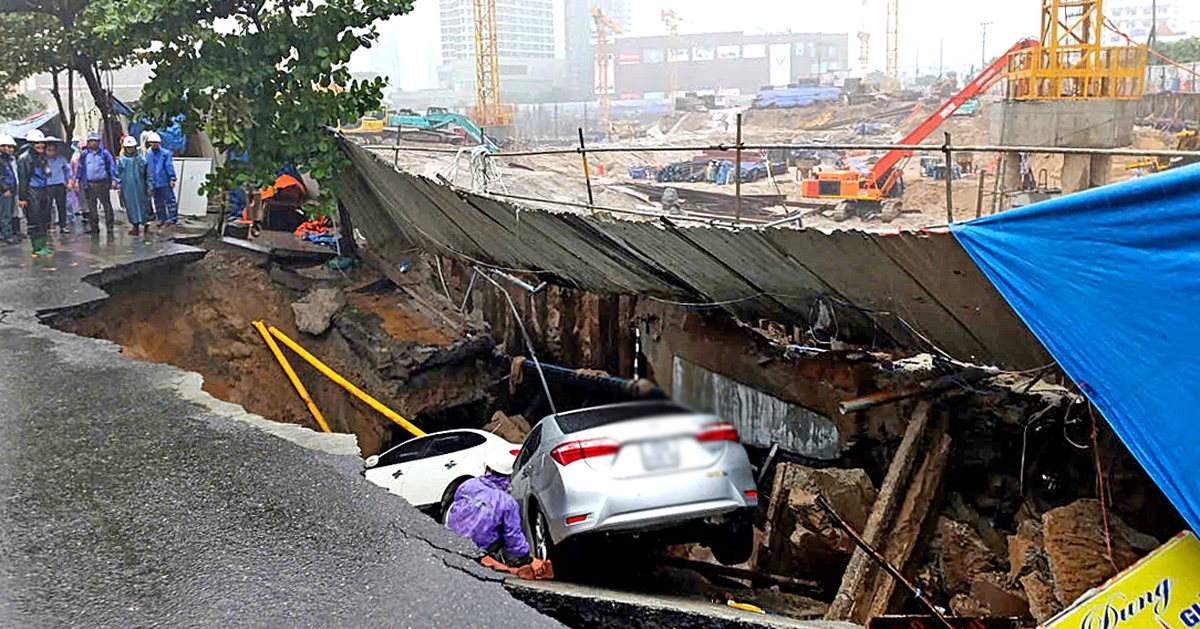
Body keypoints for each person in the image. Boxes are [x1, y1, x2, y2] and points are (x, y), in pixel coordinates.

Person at [444, 448, 532, 567]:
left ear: (487, 468)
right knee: (505, 528)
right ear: (510, 474)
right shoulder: (508, 503)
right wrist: (527, 557)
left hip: (448, 543)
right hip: (478, 551)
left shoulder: (468, 484)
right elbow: (512, 536)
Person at [18, 129, 53, 257]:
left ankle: (43, 245)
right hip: (32, 191)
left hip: (43, 190)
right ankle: (36, 248)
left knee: (44, 219)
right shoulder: (24, 158)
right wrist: (22, 198)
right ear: (32, 144)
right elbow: (23, 179)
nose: (41, 145)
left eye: (42, 143)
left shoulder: (41, 157)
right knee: (35, 219)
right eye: (37, 143)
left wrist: (47, 171)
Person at [76, 132, 117, 236]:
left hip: (102, 183)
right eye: (91, 141)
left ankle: (110, 227)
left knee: (106, 205)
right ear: (88, 143)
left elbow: (111, 166)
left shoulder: (105, 154)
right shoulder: (85, 154)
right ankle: (94, 228)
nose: (93, 143)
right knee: (91, 207)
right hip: (89, 184)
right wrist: (77, 180)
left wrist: (113, 179)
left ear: (99, 142)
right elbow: (80, 168)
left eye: (95, 141)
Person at [116, 135, 152, 237]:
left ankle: (146, 226)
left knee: (144, 206)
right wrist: (119, 186)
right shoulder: (122, 161)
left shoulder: (141, 160)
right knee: (130, 207)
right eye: (128, 147)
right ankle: (135, 226)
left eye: (131, 147)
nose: (130, 149)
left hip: (141, 188)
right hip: (127, 189)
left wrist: (149, 187)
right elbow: (118, 175)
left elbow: (148, 174)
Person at [144, 131, 178, 226]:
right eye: (152, 142)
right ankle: (161, 218)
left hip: (164, 181)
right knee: (158, 202)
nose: (154, 144)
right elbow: (147, 168)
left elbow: (169, 166)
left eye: (156, 142)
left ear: (159, 143)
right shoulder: (148, 154)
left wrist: (172, 178)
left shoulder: (165, 154)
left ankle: (172, 218)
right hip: (154, 182)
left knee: (170, 200)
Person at [43, 137, 72, 234]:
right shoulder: (42, 160)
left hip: (60, 184)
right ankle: (48, 225)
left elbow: (68, 170)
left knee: (62, 206)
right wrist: (44, 170)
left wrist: (69, 181)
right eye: (49, 150)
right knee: (48, 207)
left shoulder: (61, 159)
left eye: (53, 150)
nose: (51, 152)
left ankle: (63, 225)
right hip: (48, 185)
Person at [0, 135, 16, 245]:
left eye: (12, 147)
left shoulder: (7, 160)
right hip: (4, 191)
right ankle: (6, 235)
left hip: (10, 189)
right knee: (6, 214)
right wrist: (5, 188)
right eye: (8, 147)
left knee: (9, 213)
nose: (11, 149)